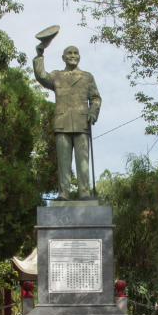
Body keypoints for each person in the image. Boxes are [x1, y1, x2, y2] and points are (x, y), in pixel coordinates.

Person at [33, 42, 101, 200]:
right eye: (69, 53)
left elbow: (95, 98)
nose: (73, 55)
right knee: (64, 163)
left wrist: (93, 112)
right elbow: (41, 76)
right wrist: (39, 55)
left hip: (82, 123)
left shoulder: (87, 77)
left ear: (79, 57)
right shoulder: (57, 76)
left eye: (75, 53)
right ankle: (64, 193)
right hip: (62, 123)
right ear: (63, 58)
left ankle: (84, 193)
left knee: (83, 162)